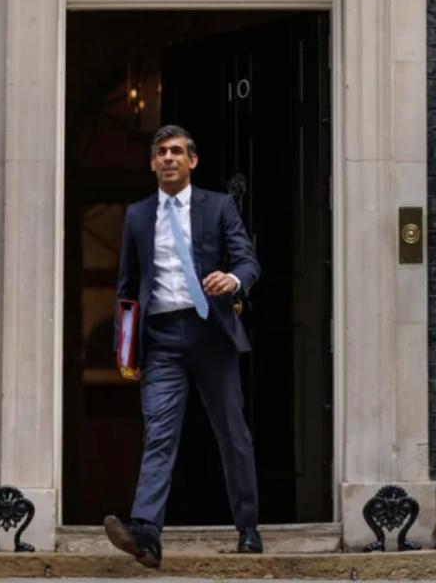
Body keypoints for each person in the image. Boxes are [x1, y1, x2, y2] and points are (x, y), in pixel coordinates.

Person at [105, 125, 262, 568]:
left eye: (177, 151)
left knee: (233, 434)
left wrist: (232, 280)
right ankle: (146, 535)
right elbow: (126, 287)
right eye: (161, 152)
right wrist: (125, 349)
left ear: (192, 161)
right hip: (161, 338)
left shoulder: (218, 206)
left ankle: (248, 528)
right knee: (158, 433)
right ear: (152, 163)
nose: (169, 158)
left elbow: (247, 260)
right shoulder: (137, 216)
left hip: (211, 331)